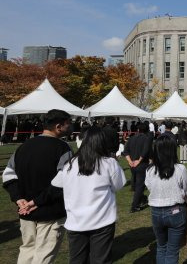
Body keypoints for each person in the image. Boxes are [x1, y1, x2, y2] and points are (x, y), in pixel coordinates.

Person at [2, 109, 73, 264]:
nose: (71, 127)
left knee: (27, 250)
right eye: (69, 124)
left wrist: (19, 199)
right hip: (49, 211)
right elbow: (64, 182)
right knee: (43, 256)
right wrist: (28, 201)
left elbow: (8, 175)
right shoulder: (63, 148)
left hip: (26, 210)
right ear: (59, 126)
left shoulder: (24, 146)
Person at [51, 126, 126, 264]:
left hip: (77, 221)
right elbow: (118, 185)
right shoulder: (109, 163)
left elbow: (57, 183)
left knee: (77, 260)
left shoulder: (69, 165)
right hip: (101, 222)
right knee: (99, 260)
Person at [145, 135, 187, 264]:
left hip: (157, 212)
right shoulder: (180, 169)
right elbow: (186, 190)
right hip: (175, 211)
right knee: (171, 250)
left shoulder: (150, 171)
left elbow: (149, 187)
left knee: (162, 247)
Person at [124, 122, 153, 212]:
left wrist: (130, 161)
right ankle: (134, 206)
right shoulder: (146, 139)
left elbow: (126, 151)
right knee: (140, 186)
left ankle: (142, 198)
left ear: (138, 130)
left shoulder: (131, 138)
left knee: (137, 184)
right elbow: (145, 151)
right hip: (141, 164)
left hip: (132, 164)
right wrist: (139, 161)